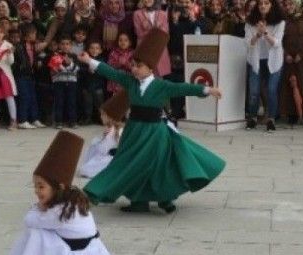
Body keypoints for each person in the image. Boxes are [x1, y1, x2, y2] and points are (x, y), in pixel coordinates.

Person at [78, 28, 226, 213]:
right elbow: (110, 72)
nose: (133, 69)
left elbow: (183, 88)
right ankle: (135, 201)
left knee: (159, 165)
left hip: (155, 132)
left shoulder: (161, 86)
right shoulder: (130, 82)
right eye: (132, 65)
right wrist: (89, 60)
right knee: (127, 163)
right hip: (134, 131)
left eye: (138, 66)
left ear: (150, 67)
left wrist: (207, 90)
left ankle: (165, 198)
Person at [10, 131, 117, 255]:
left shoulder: (59, 212)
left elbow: (29, 220)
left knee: (37, 233)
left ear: (59, 187)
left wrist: (39, 208)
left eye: (41, 186)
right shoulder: (73, 199)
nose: (36, 191)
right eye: (35, 186)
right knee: (42, 227)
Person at [244, 0, 286, 132]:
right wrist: (257, 34)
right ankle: (252, 117)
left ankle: (271, 119)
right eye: (260, 3)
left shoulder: (280, 22)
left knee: (271, 90)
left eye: (266, 3)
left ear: (271, 5)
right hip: (256, 60)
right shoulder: (250, 22)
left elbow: (277, 43)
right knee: (254, 91)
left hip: (273, 61)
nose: (263, 6)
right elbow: (247, 43)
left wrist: (265, 33)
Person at [279, 0, 303, 126]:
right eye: (286, 5)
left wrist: (302, 54)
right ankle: (292, 114)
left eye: (291, 4)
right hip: (290, 59)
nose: (288, 7)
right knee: (290, 85)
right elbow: (280, 40)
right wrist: (286, 55)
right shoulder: (284, 20)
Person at [49, 34, 78, 129]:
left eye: (67, 44)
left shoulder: (74, 56)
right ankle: (58, 121)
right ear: (59, 45)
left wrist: (69, 63)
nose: (65, 46)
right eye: (63, 44)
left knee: (71, 102)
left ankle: (72, 121)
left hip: (72, 82)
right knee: (59, 102)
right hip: (59, 82)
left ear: (71, 45)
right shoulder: (55, 56)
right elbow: (54, 69)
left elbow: (76, 69)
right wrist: (62, 66)